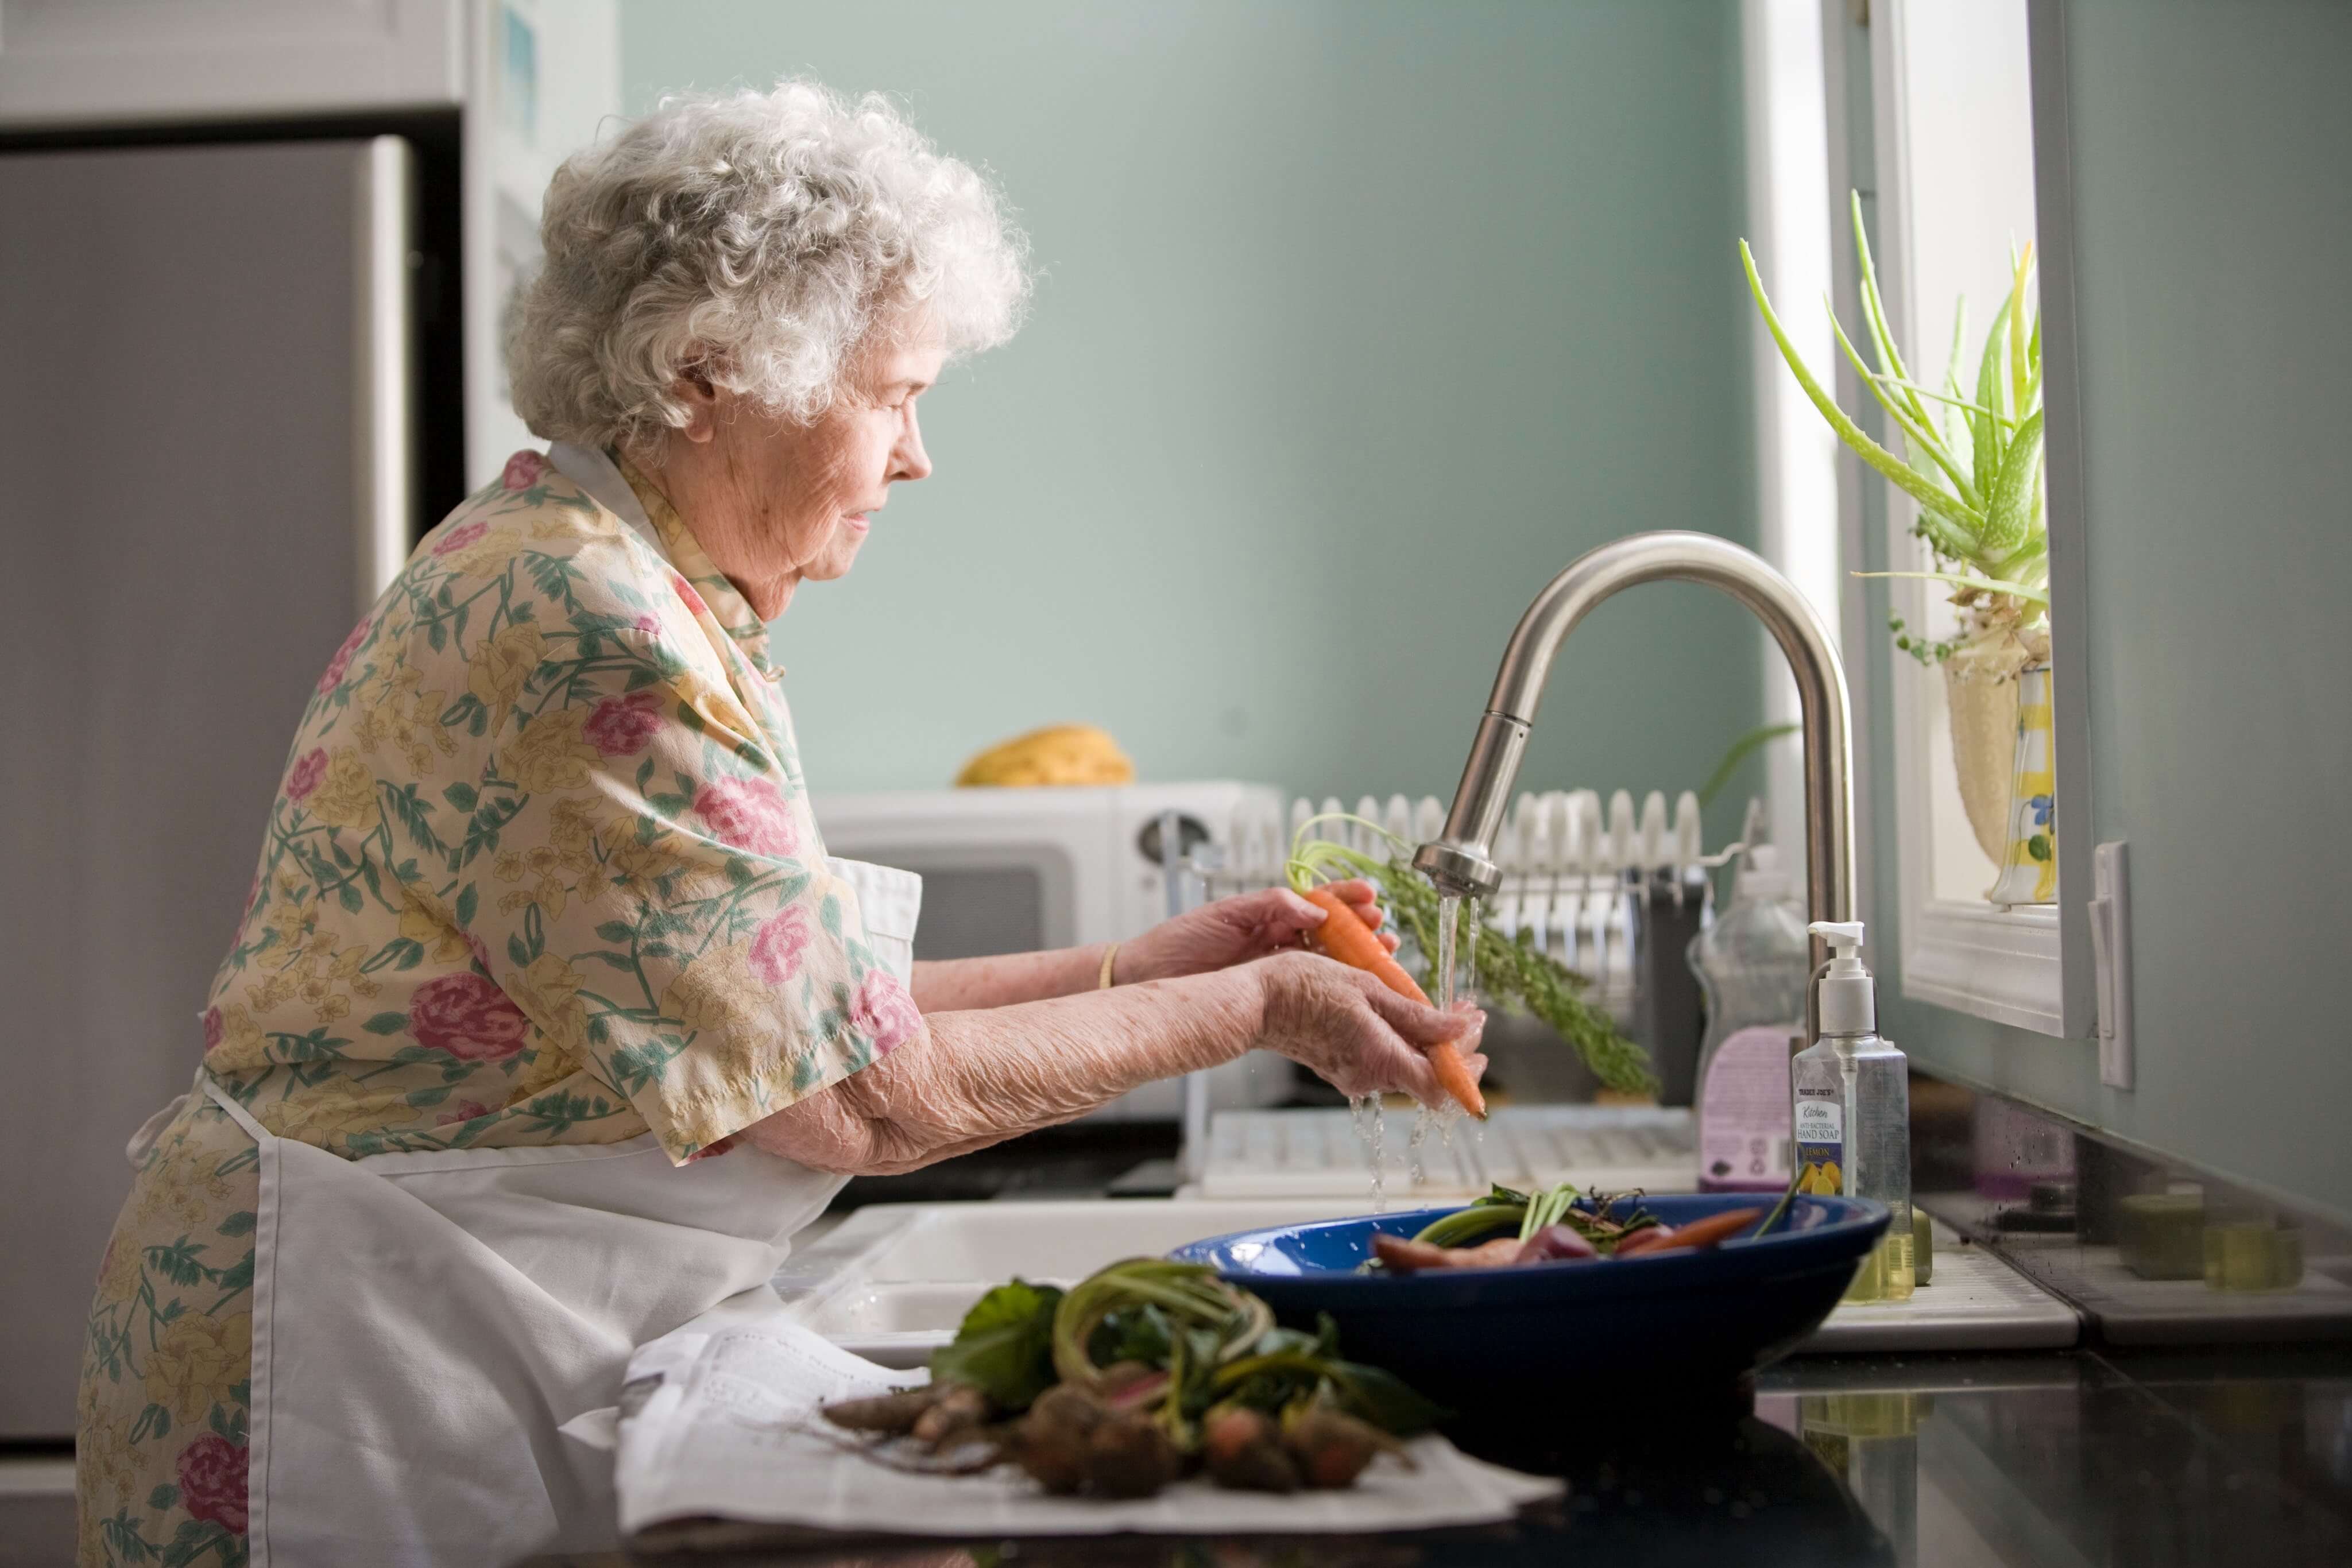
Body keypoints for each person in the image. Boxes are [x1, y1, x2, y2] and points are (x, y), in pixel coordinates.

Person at [76, 81, 1483, 1565]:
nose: (919, 454)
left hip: (446, 1312)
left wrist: (1141, 970)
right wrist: (1256, 1002)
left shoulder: (620, 584)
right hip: (357, 1365)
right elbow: (854, 1099)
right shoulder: (581, 626)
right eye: (892, 396)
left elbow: (782, 1015)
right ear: (705, 373)